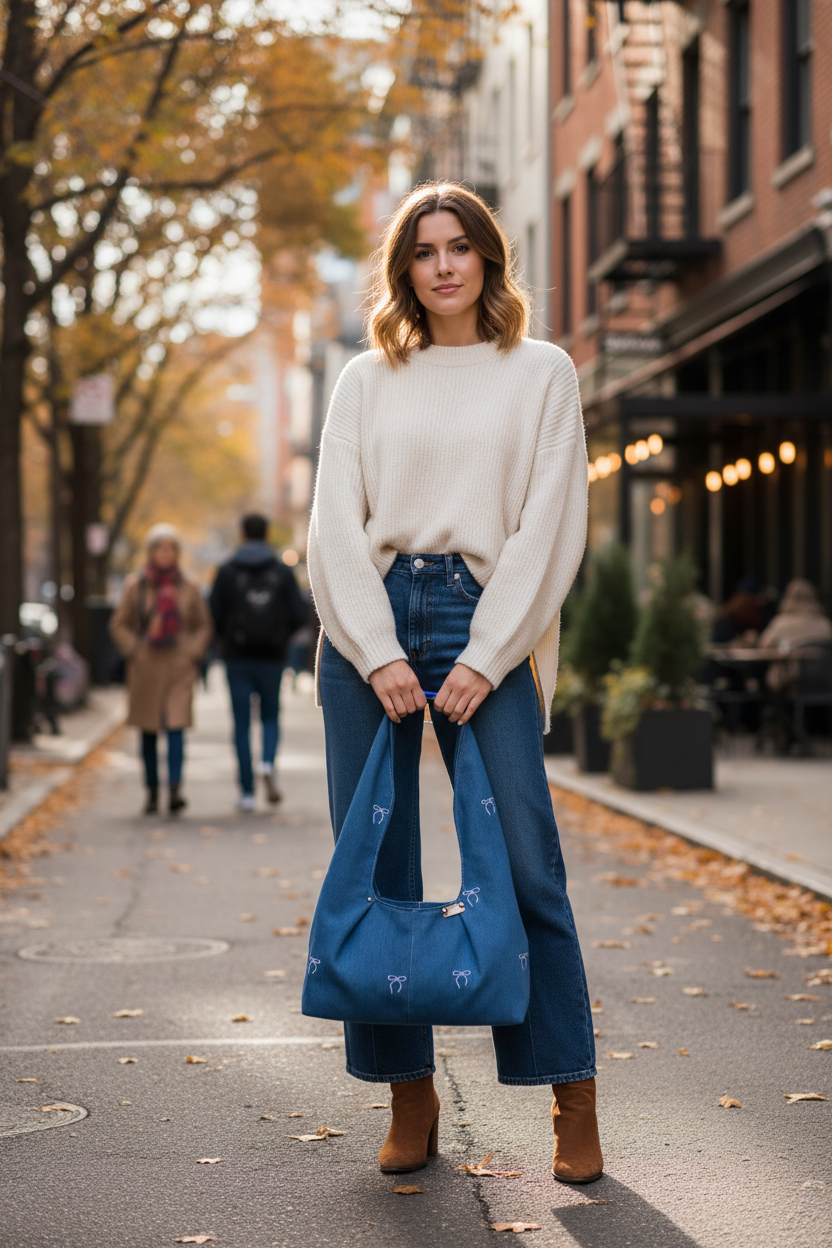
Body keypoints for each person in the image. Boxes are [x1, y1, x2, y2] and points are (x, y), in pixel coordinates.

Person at [307, 183, 599, 1184]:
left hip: (485, 615)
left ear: (487, 260)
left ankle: (569, 1095)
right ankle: (409, 1095)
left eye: (459, 247)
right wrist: (378, 648)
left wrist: (484, 653)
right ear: (403, 268)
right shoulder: (364, 380)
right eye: (423, 250)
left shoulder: (542, 373)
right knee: (378, 869)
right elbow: (332, 525)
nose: (442, 266)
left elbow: (549, 525)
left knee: (524, 865)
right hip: (369, 627)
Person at [110, 524, 212, 815]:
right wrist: (134, 650)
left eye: (171, 548)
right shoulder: (136, 585)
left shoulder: (189, 585)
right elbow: (118, 624)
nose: (165, 553)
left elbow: (204, 625)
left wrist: (193, 651)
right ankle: (152, 790)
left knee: (177, 727)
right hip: (146, 666)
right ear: (151, 552)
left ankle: (176, 788)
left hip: (179, 665)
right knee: (149, 732)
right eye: (160, 548)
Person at [210, 514, 306, 811]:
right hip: (272, 659)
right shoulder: (281, 571)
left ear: (241, 533)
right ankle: (266, 762)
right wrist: (280, 638)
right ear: (267, 534)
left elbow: (213, 613)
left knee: (240, 722)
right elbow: (300, 613)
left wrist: (226, 640)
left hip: (237, 659)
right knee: (270, 716)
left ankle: (247, 792)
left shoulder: (227, 571)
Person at [757, 578, 832, 692]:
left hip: (792, 680)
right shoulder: (824, 623)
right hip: (823, 680)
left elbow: (763, 645)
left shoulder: (782, 622)